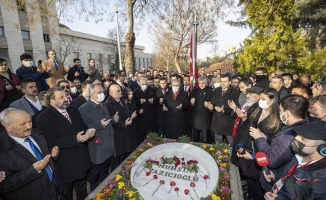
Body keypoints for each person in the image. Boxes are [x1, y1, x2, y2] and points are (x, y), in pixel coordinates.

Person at [35, 87, 95, 200]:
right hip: (65, 165)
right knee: (67, 195)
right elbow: (51, 141)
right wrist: (75, 139)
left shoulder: (73, 110)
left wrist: (88, 131)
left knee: (82, 191)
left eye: (66, 96)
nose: (66, 98)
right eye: (61, 97)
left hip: (81, 160)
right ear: (52, 101)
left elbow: (82, 126)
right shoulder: (43, 118)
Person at [0, 109, 66, 200]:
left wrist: (51, 152)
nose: (29, 126)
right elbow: (4, 186)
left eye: (30, 121)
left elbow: (39, 153)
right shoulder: (2, 151)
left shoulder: (36, 133)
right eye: (23, 124)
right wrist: (33, 170)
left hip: (54, 190)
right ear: (8, 127)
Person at [251, 95, 309, 191]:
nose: (280, 113)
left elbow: (272, 161)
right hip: (279, 176)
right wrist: (266, 138)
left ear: (287, 114)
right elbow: (279, 146)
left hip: (275, 186)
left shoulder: (289, 136)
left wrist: (259, 138)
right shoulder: (303, 126)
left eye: (281, 111)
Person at [263, 121, 326, 200]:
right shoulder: (298, 157)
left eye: (303, 139)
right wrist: (275, 176)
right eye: (297, 135)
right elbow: (287, 175)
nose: (295, 139)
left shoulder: (322, 181)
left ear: (322, 149)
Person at [79, 84, 118, 191]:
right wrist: (99, 125)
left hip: (108, 143)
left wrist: (113, 119)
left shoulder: (103, 105)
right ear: (92, 94)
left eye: (103, 91)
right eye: (99, 92)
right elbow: (85, 127)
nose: (102, 94)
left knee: (105, 170)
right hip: (97, 146)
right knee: (95, 172)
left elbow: (106, 121)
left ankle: (104, 189)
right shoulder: (84, 108)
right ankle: (94, 192)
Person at [105, 84, 137, 170]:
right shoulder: (108, 104)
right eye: (117, 91)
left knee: (127, 158)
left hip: (127, 134)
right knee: (118, 163)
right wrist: (123, 123)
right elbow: (110, 120)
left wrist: (131, 116)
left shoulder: (122, 100)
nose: (120, 92)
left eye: (120, 90)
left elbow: (125, 113)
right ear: (111, 93)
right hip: (118, 137)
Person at [206, 74, 240, 145]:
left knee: (232, 143)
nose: (223, 83)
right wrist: (212, 106)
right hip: (217, 122)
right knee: (218, 145)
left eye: (225, 81)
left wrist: (224, 110)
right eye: (221, 81)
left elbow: (235, 106)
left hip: (228, 122)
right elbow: (213, 101)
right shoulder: (216, 90)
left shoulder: (235, 92)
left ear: (230, 82)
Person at [190, 76, 213, 142]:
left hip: (205, 118)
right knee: (195, 138)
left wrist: (209, 105)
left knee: (205, 139)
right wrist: (192, 103)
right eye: (200, 83)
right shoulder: (195, 91)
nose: (201, 85)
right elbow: (191, 103)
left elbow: (212, 104)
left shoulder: (210, 91)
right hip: (195, 118)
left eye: (203, 83)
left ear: (206, 83)